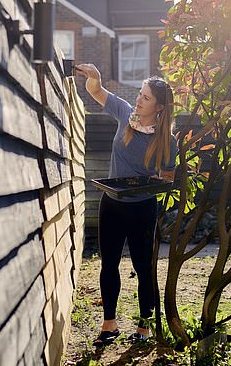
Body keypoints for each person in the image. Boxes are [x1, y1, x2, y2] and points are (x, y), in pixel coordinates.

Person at [75, 63, 177, 346]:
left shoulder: (167, 140)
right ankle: (109, 324)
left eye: (145, 97)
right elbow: (97, 92)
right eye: (140, 94)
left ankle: (143, 328)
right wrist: (94, 78)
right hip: (112, 203)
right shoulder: (124, 113)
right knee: (109, 264)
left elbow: (168, 176)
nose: (138, 99)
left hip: (143, 208)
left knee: (144, 268)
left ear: (158, 107)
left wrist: (160, 178)